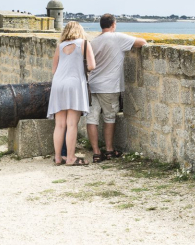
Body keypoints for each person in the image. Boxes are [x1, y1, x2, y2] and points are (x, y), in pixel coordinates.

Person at [87, 13, 147, 163]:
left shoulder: (93, 42)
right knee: (109, 117)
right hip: (109, 86)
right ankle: (109, 150)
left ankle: (95, 152)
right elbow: (142, 42)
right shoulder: (117, 38)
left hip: (93, 85)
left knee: (92, 118)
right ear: (113, 24)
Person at [47, 21, 95, 167]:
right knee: (72, 123)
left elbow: (54, 70)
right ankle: (70, 157)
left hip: (58, 84)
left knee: (60, 124)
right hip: (74, 84)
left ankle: (57, 157)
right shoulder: (84, 43)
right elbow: (92, 66)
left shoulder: (60, 46)